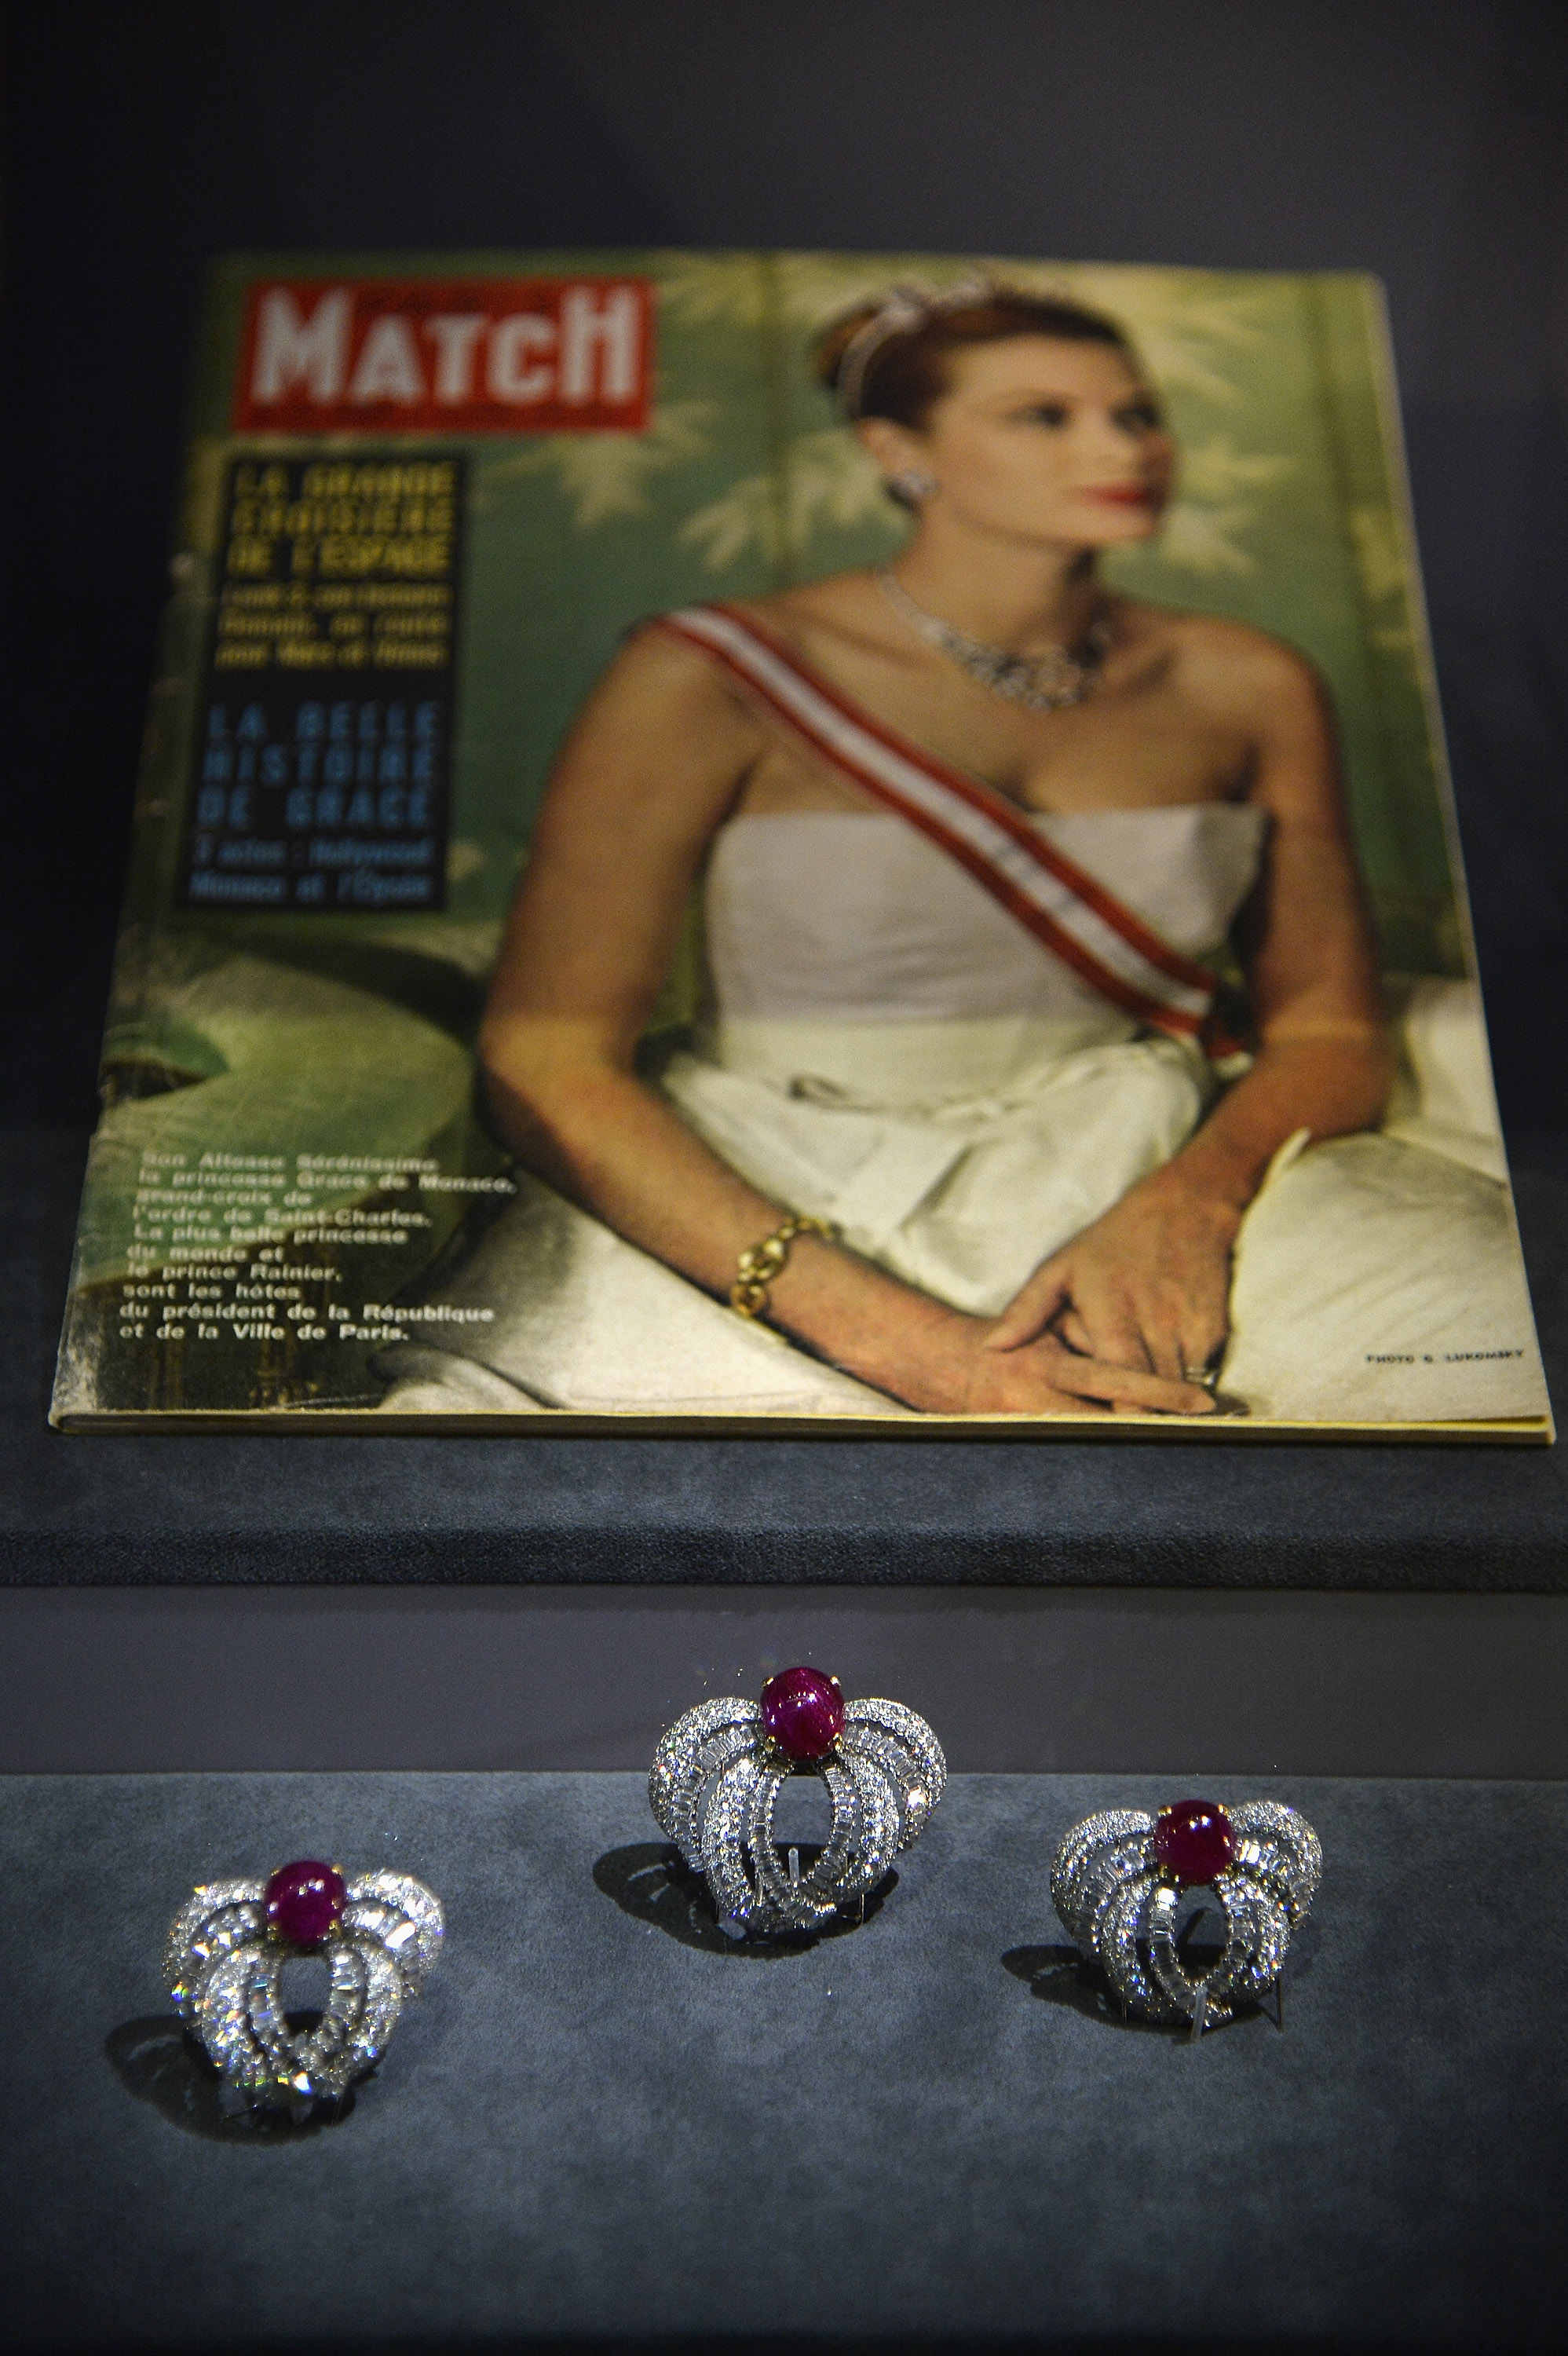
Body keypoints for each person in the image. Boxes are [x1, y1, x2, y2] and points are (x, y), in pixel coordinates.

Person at [376, 284, 1543, 1423]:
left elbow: (1328, 1034)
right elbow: (548, 1055)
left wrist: (1185, 1207)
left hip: (1151, 1151)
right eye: (1043, 416)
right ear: (899, 451)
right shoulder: (705, 674)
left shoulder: (1249, 681)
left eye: (1136, 413)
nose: (1123, 448)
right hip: (776, 1176)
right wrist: (917, 1352)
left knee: (1475, 1359)